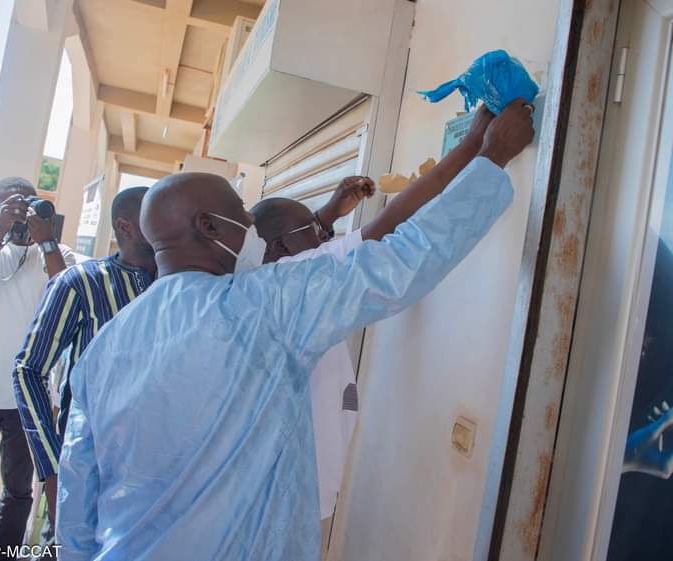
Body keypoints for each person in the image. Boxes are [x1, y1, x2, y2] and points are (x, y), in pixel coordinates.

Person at [56, 99, 534, 561]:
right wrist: (493, 157)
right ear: (208, 226)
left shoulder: (104, 348)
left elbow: (75, 504)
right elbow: (402, 260)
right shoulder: (266, 304)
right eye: (240, 213)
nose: (250, 223)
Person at [251, 107, 495, 528]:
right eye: (312, 228)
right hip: (296, 492)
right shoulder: (298, 279)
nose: (324, 232)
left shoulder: (264, 281)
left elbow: (303, 244)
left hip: (287, 485)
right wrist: (476, 145)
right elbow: (394, 218)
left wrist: (325, 215)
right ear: (281, 248)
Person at [13, 187, 156, 528]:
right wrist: (50, 469)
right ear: (126, 227)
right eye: (156, 216)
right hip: (85, 470)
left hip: (154, 477)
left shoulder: (184, 285)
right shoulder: (81, 282)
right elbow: (28, 370)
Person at [0, 177, 75, 558]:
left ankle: (4, 553)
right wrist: (0, 232)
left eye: (27, 207)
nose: (20, 214)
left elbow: (65, 291)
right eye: (11, 207)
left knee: (19, 489)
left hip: (29, 394)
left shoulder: (57, 252)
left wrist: (46, 240)